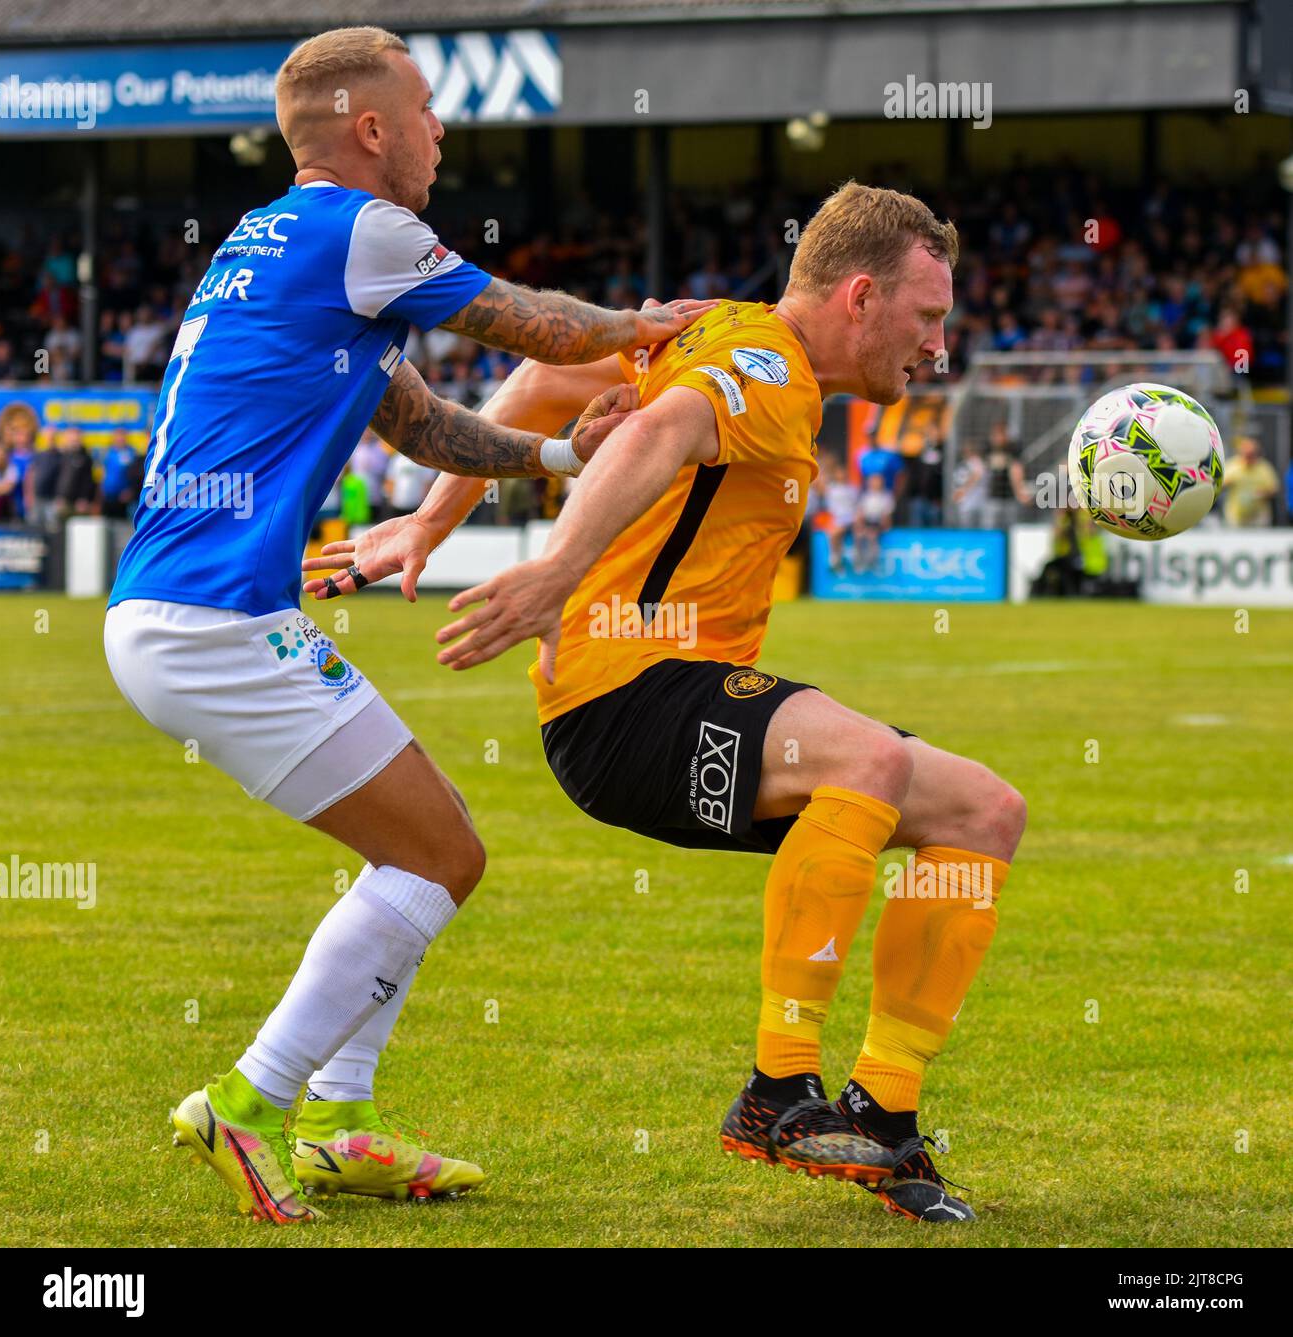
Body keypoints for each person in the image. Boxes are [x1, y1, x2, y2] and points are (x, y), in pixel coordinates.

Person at [315, 183, 1028, 1224]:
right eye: (927, 319)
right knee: (865, 759)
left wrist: (428, 519)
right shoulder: (761, 365)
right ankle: (778, 1090)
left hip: (675, 695)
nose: (936, 347)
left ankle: (881, 1113)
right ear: (862, 295)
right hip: (624, 696)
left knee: (982, 810)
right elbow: (666, 434)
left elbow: (551, 373)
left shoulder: (733, 342)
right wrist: (556, 571)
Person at [102, 24, 712, 1226]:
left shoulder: (268, 245)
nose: (440, 131)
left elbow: (420, 421)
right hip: (212, 621)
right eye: (426, 110)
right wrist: (648, 326)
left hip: (184, 615)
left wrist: (548, 451)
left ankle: (338, 1119)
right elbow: (536, 325)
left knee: (415, 852)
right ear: (369, 127)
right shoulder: (362, 228)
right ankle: (252, 1100)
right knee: (444, 856)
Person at [1221, 436, 1278, 527]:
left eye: (1251, 454)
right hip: (1236, 518)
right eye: (1246, 454)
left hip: (1259, 518)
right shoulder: (1232, 466)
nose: (1248, 458)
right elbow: (1220, 485)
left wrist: (1263, 493)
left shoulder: (1264, 468)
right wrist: (1227, 483)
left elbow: (1274, 489)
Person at [854, 473, 895, 572]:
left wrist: (880, 526)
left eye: (877, 481)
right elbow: (860, 513)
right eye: (873, 481)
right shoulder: (865, 496)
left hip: (878, 523)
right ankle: (858, 560)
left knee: (872, 535)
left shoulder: (886, 497)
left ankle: (872, 561)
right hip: (867, 521)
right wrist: (860, 525)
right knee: (858, 535)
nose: (875, 484)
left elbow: (886, 516)